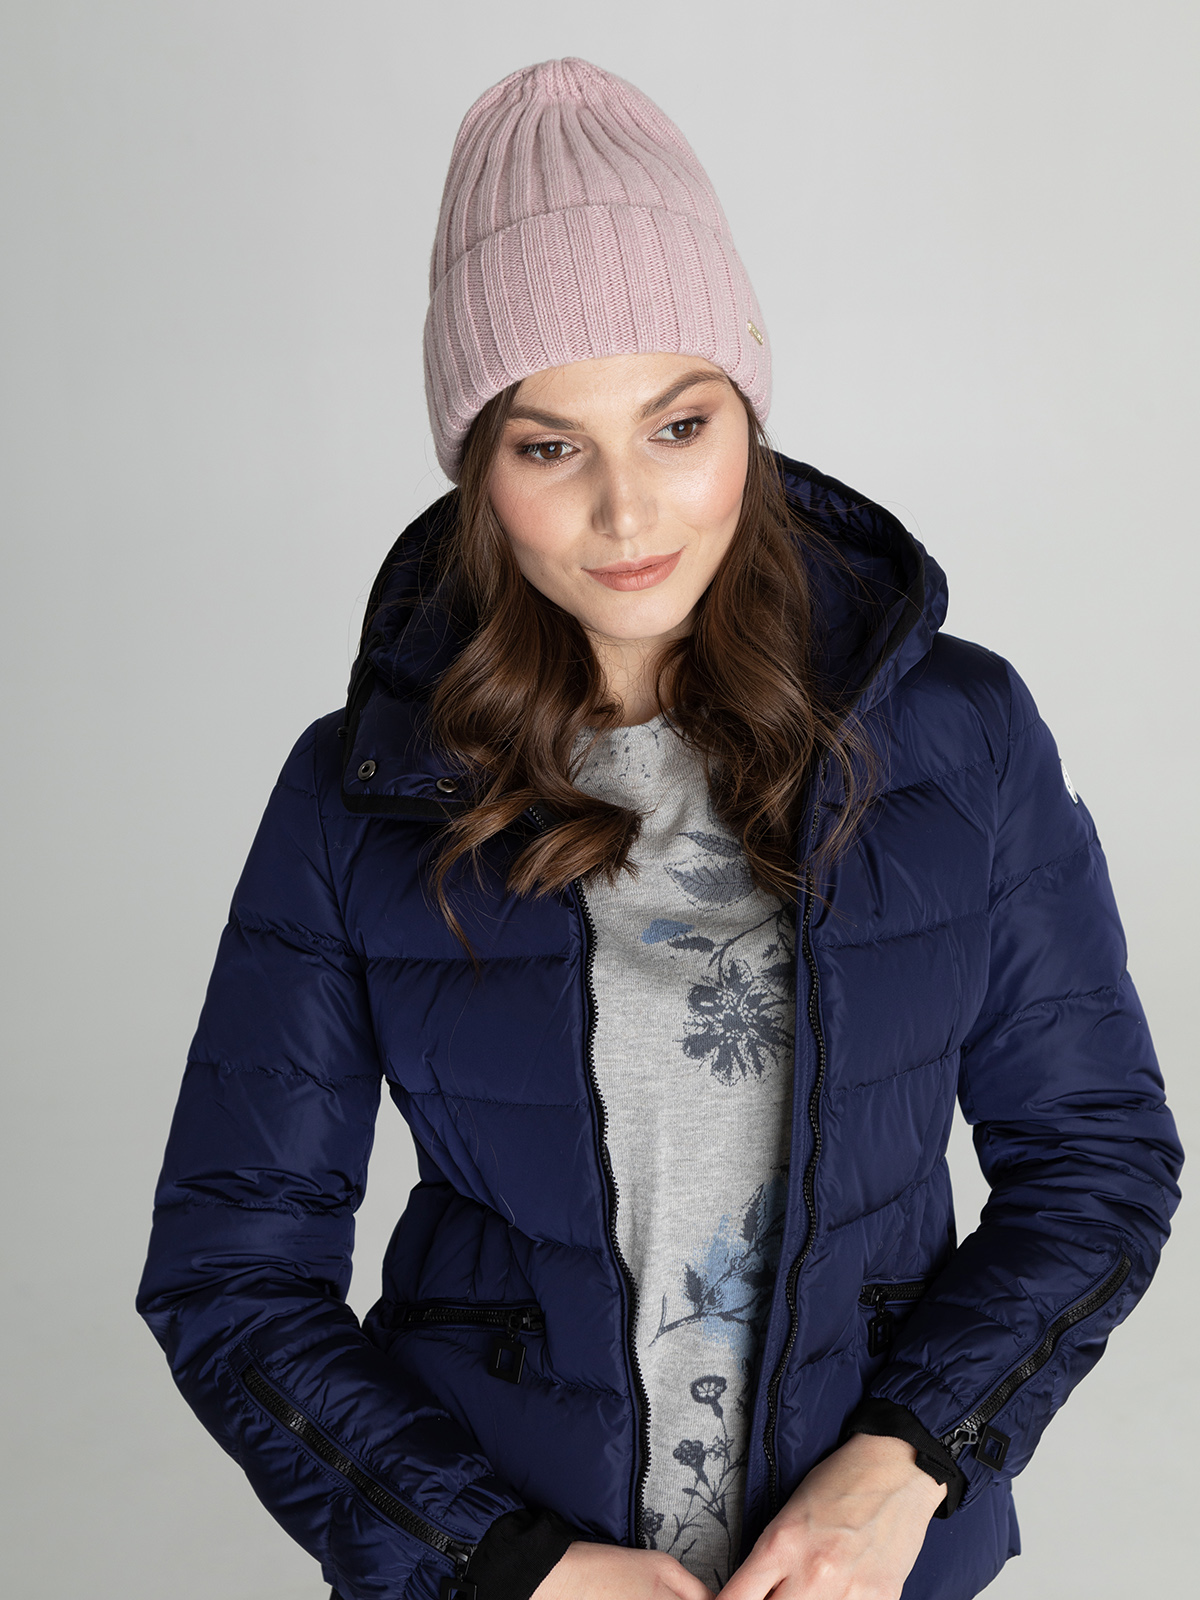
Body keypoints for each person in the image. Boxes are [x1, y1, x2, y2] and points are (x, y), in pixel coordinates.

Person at [137, 57, 1182, 1600]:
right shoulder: (359, 793)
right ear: (479, 470)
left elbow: (1095, 1164)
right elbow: (232, 1281)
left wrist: (906, 1464)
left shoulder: (961, 739)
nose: (627, 514)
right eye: (549, 446)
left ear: (747, 414)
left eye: (678, 424)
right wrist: (504, 1561)